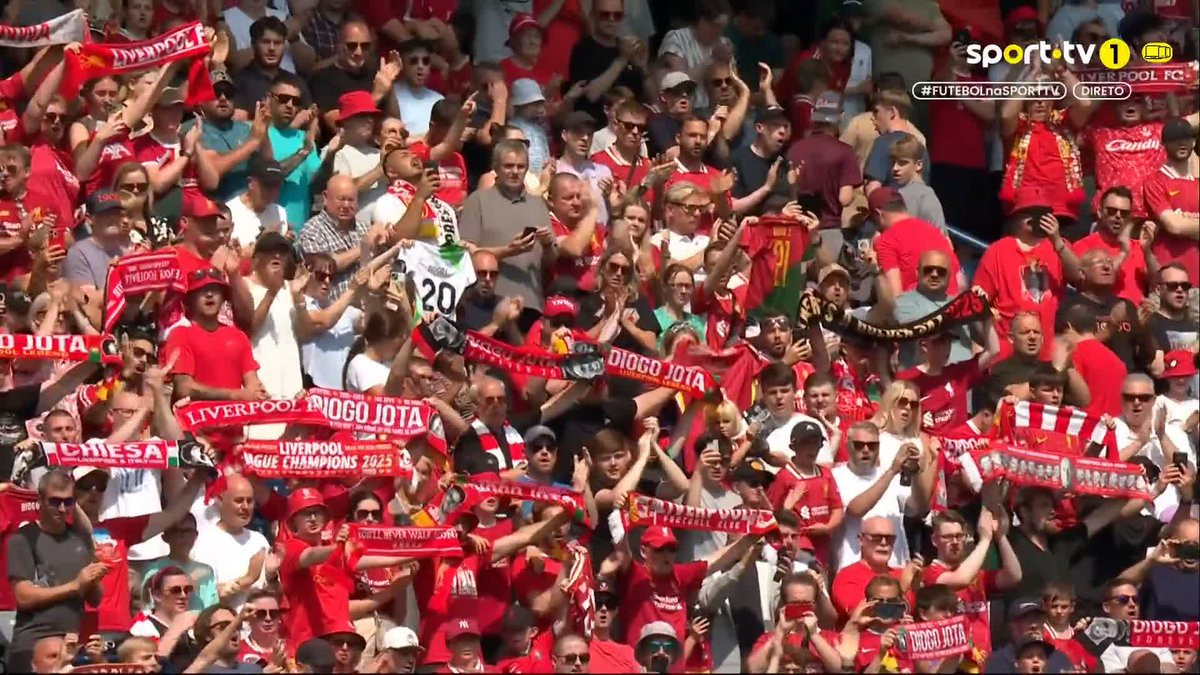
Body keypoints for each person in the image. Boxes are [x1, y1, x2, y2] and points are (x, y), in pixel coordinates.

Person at [6, 470, 100, 672]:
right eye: (55, 502)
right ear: (40, 500)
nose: (62, 508)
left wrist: (94, 576)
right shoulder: (23, 539)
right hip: (33, 644)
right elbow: (23, 597)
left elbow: (95, 599)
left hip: (69, 644)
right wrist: (75, 586)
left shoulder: (79, 539)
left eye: (68, 502)